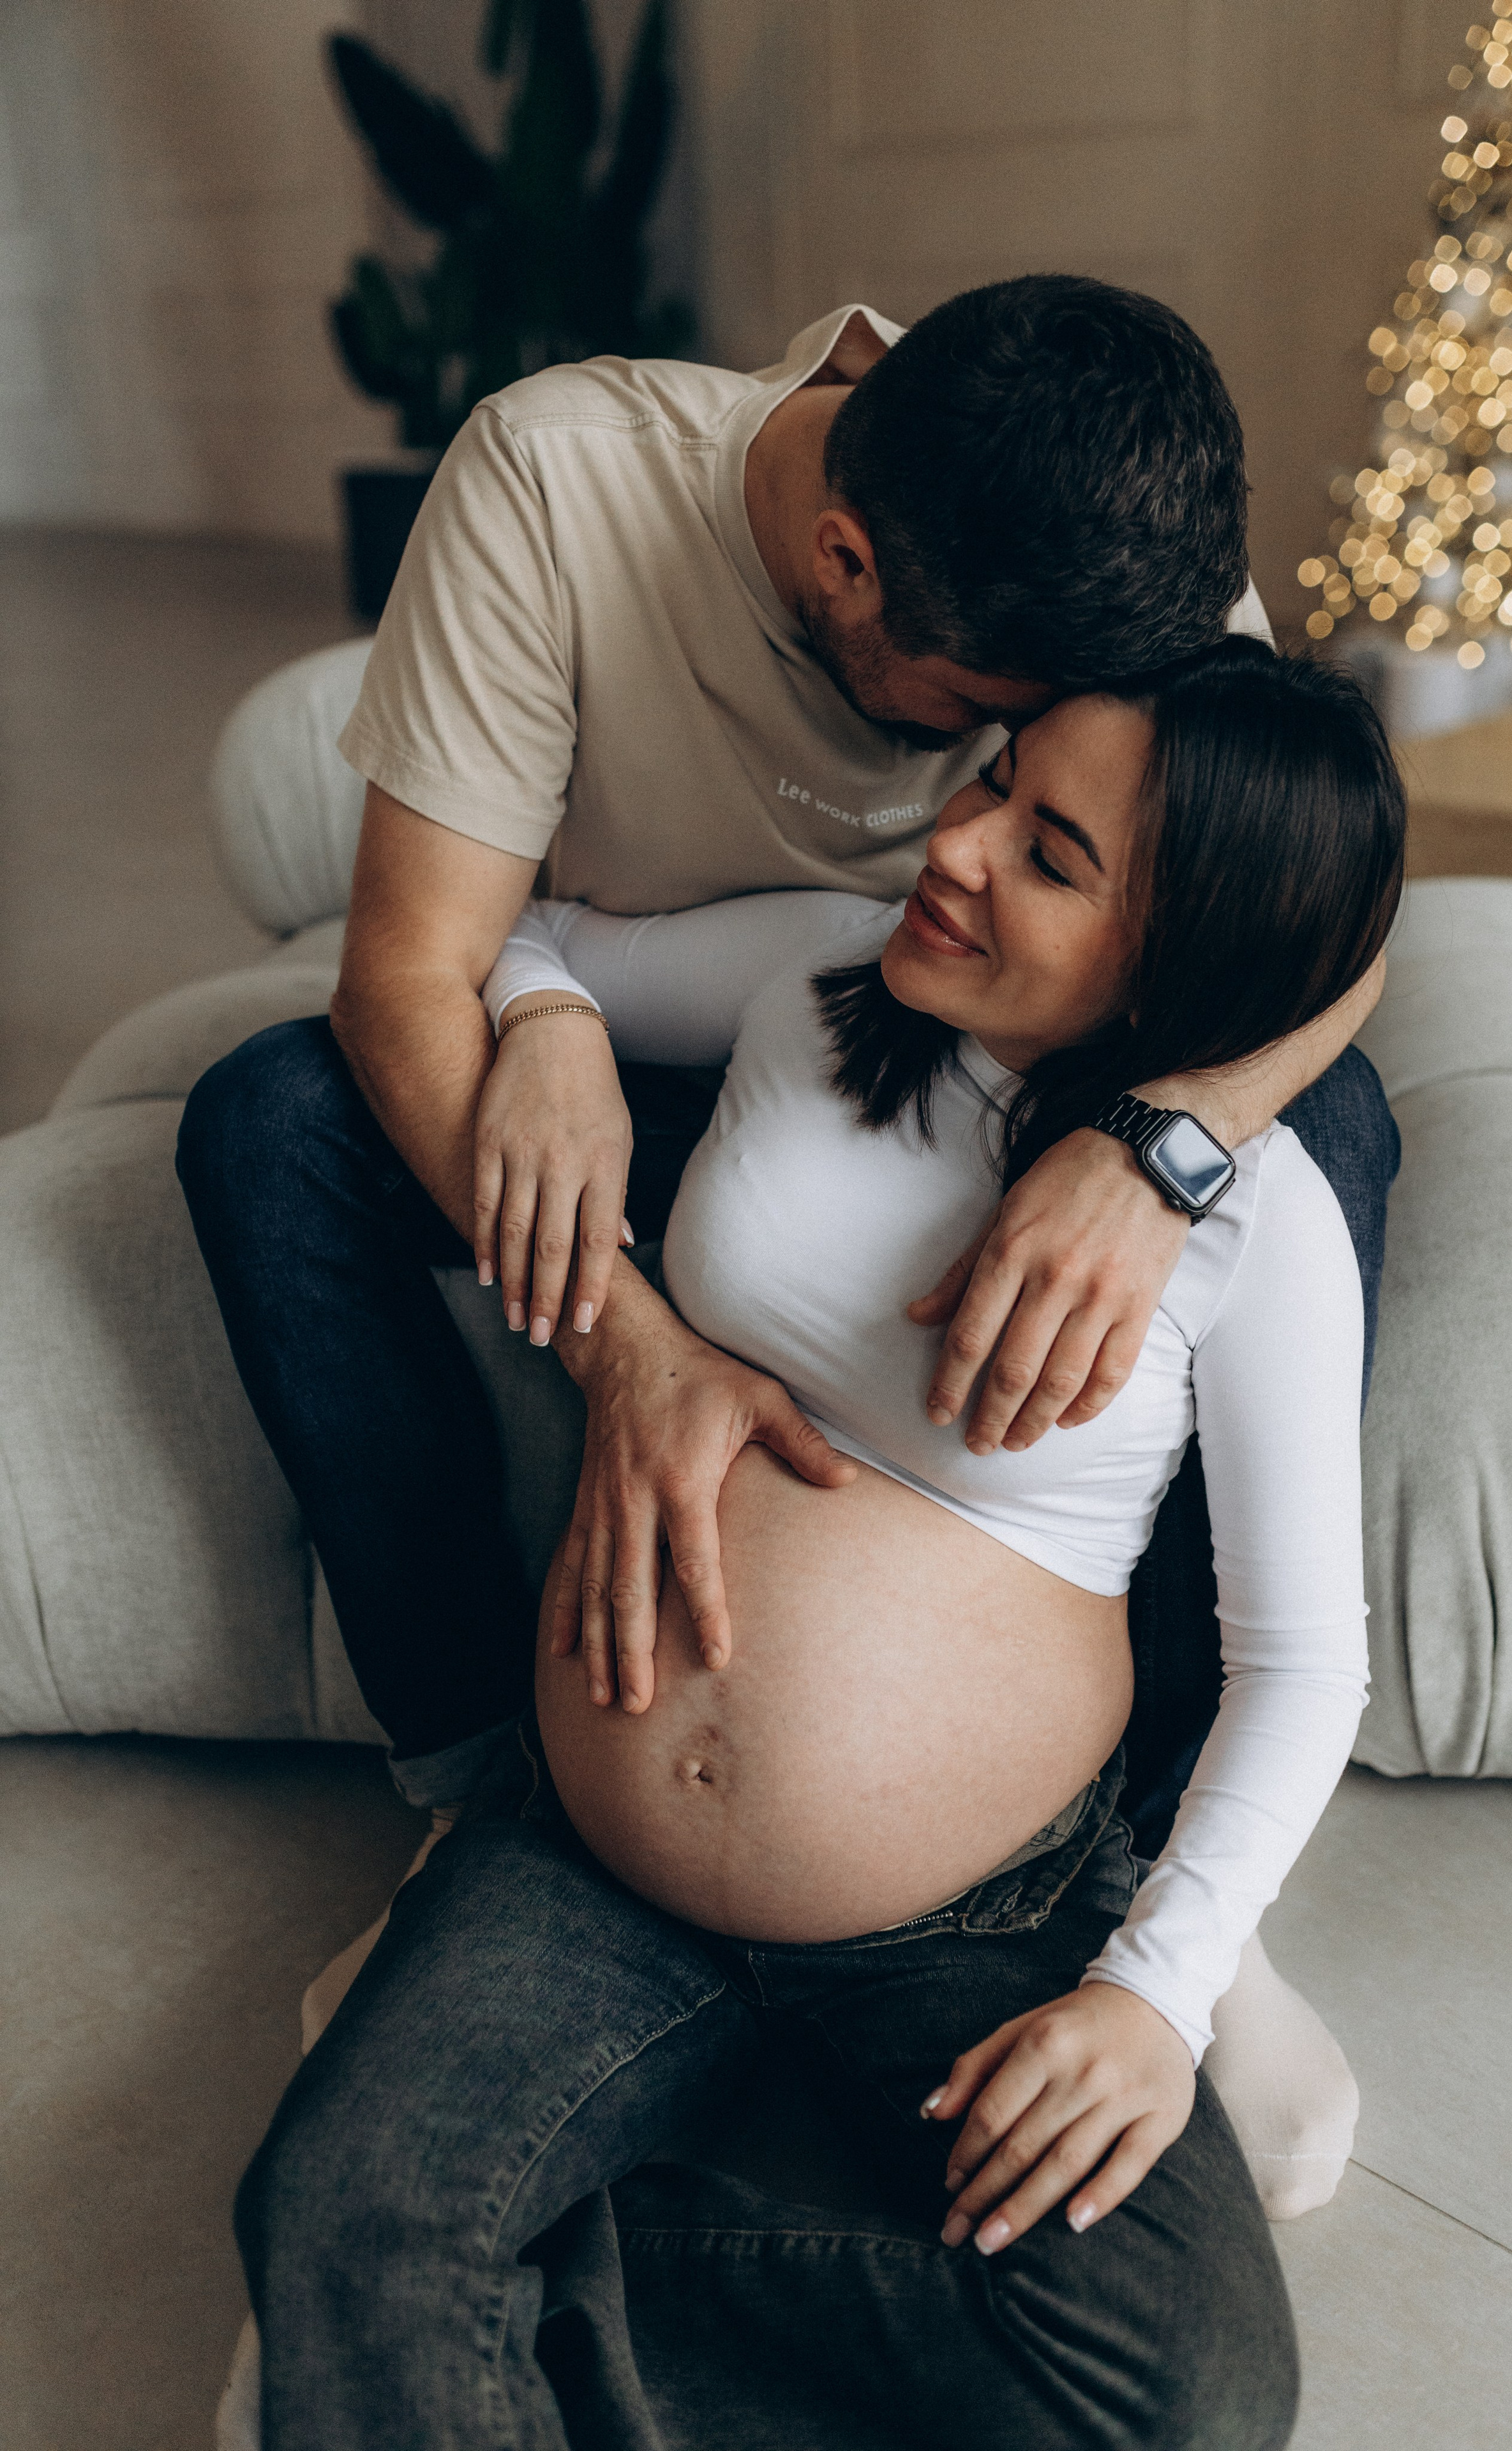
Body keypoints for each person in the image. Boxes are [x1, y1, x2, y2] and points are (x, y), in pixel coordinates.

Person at [236, 640, 1403, 2450]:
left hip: (979, 1912)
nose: (959, 843)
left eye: (1053, 855)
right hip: (587, 1861)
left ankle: (575, 2266)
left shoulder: (1253, 1226)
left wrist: (1156, 1998)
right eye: (1000, 783)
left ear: (1186, 958)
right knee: (332, 2212)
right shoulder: (818, 975)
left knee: (1181, 2390)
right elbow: (529, 937)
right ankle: (467, 2270)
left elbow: (1304, 1658)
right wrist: (550, 1034)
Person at [175, 278, 1395, 1896]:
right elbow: (405, 975)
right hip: (654, 1043)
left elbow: (1325, 916)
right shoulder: (556, 483)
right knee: (269, 1123)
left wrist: (1161, 1148)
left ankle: (1159, 1876)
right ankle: (473, 1786)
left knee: (1329, 1113)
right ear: (845, 564)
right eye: (984, 728)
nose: (967, 805)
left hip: (1004, 1083)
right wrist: (620, 1312)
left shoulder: (1109, 559)